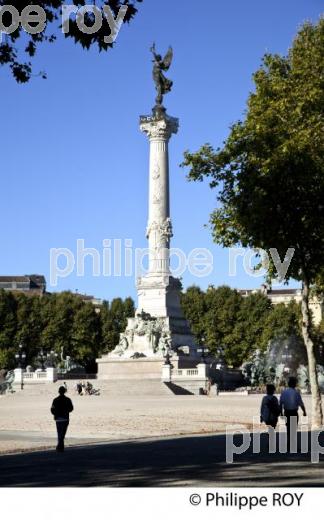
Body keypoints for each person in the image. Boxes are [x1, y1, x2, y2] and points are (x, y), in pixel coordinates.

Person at [280, 376, 306, 451]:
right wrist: (304, 411)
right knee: (294, 429)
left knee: (288, 428)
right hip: (294, 412)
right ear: (294, 384)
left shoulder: (284, 392)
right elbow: (301, 403)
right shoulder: (296, 393)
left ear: (288, 384)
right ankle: (292, 445)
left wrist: (281, 413)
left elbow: (281, 403)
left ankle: (289, 444)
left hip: (287, 412)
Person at [50, 386, 74, 452]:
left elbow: (52, 409)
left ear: (59, 392)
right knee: (63, 433)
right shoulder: (68, 399)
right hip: (65, 418)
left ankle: (60, 447)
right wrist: (66, 411)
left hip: (58, 419)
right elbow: (71, 408)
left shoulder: (55, 400)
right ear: (64, 392)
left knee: (59, 433)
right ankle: (60, 447)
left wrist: (55, 414)